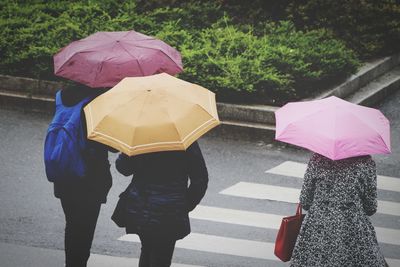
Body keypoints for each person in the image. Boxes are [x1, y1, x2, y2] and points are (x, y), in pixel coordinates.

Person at [113, 141, 208, 267]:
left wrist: (129, 149)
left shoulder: (142, 136)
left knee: (147, 249)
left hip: (142, 208)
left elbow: (123, 168)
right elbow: (200, 178)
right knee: (160, 256)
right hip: (170, 212)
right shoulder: (184, 141)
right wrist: (185, 205)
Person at [50, 83, 113, 267]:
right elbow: (111, 145)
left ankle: (70, 263)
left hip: (64, 169)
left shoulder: (62, 95)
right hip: (89, 178)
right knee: (84, 230)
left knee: (72, 225)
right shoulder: (97, 102)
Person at [290, 153, 387, 267]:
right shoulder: (366, 163)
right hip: (353, 228)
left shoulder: (317, 159)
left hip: (318, 228)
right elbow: (371, 208)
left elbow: (305, 202)